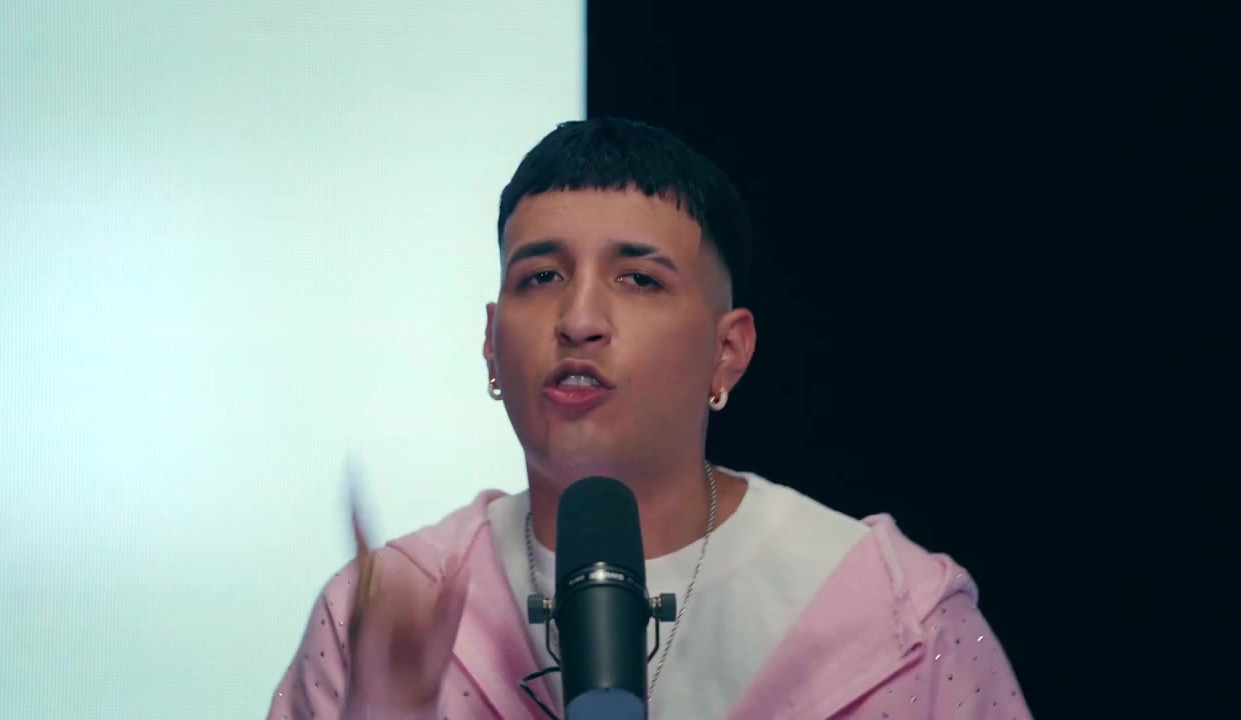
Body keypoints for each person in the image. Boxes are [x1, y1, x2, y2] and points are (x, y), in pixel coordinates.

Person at [267, 118, 1032, 719]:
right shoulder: (380, 615)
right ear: (492, 347)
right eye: (542, 276)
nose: (579, 320)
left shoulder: (900, 621)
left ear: (727, 353)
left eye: (638, 279)